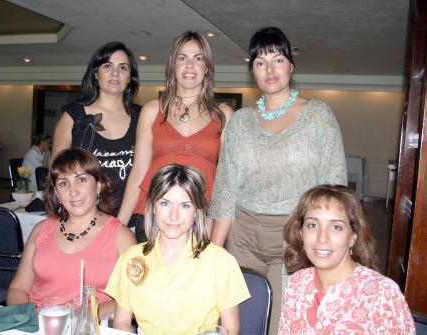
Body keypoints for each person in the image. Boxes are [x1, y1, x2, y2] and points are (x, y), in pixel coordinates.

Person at [209, 26, 347, 332]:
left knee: (281, 324)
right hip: (242, 236)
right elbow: (226, 189)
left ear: (291, 66)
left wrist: (334, 243)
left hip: (293, 236)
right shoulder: (240, 122)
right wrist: (212, 256)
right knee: (236, 322)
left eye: (277, 59)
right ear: (252, 72)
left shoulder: (318, 116)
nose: (269, 69)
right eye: (260, 62)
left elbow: (335, 190)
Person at [106, 164, 250, 335]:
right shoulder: (131, 258)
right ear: (153, 207)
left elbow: (230, 330)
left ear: (196, 211)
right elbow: (121, 321)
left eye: (184, 206)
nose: (173, 216)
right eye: (165, 203)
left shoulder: (221, 262)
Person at [117, 31, 233, 242]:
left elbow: (227, 181)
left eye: (198, 58)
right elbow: (139, 171)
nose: (190, 65)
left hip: (201, 220)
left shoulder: (223, 114)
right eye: (182, 58)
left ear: (207, 67)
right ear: (173, 65)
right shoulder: (152, 110)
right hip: (153, 217)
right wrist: (118, 227)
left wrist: (215, 227)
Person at [7, 148, 136, 317]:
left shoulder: (121, 237)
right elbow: (18, 289)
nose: (73, 192)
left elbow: (134, 299)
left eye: (81, 179)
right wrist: (28, 322)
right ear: (56, 193)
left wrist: (86, 314)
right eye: (63, 183)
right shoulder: (41, 230)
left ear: (98, 186)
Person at [279, 184, 415, 334]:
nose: (322, 238)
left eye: (336, 227)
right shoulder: (296, 284)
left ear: (353, 237)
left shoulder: (382, 295)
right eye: (312, 225)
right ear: (300, 233)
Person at [52, 41, 140, 214]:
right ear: (95, 74)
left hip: (129, 220)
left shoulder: (142, 117)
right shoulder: (72, 116)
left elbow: (143, 174)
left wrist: (119, 225)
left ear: (129, 78)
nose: (115, 73)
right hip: (83, 219)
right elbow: (58, 175)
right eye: (107, 65)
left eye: (123, 68)